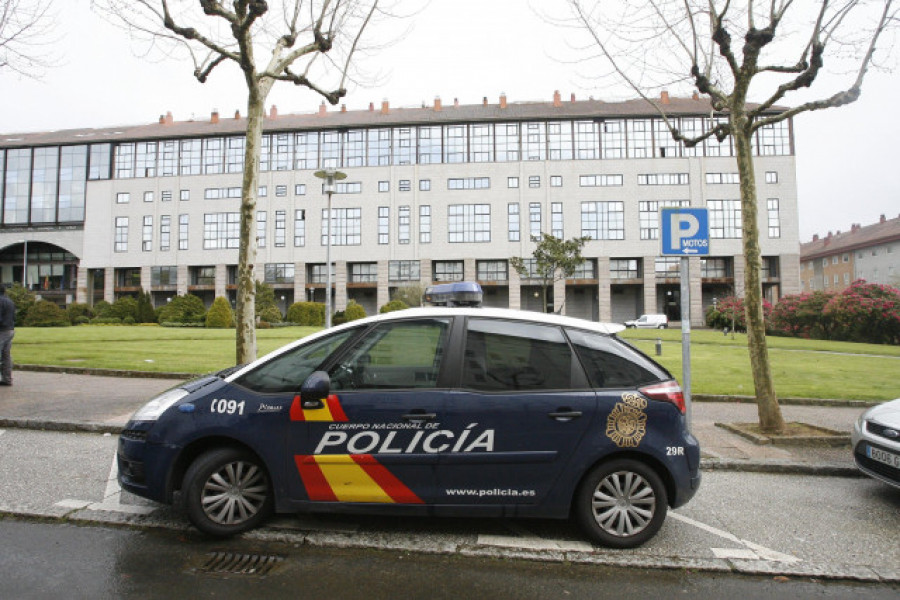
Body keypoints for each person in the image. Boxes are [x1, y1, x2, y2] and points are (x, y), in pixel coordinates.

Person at [0, 285, 15, 386]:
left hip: (1, 330)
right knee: (6, 355)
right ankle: (7, 378)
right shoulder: (9, 301)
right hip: (10, 329)